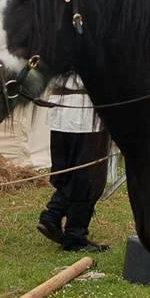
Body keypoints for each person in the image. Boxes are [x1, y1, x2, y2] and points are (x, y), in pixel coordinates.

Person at [36, 75, 111, 252]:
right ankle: (73, 235)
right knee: (88, 178)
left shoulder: (54, 46)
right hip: (83, 114)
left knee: (67, 172)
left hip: (60, 110)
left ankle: (53, 216)